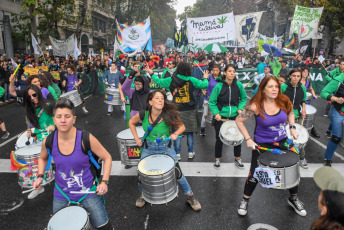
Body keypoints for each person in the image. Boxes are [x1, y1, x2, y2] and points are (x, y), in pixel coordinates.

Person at [32, 99, 113, 229]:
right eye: (59, 117)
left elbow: (107, 157)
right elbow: (42, 158)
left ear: (74, 119)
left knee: (104, 226)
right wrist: (40, 175)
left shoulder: (85, 138)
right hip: (61, 193)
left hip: (87, 192)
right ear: (54, 120)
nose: (63, 120)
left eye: (67, 116)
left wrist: (105, 181)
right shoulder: (48, 141)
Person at [236, 75, 307, 217]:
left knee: (292, 169)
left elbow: (291, 112)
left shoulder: (284, 101)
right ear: (263, 89)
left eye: (276, 86)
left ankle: (293, 199)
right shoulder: (255, 106)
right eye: (270, 86)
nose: (274, 89)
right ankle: (245, 200)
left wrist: (292, 127)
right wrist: (248, 139)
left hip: (283, 141)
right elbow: (239, 121)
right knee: (255, 173)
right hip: (262, 145)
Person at [129, 90, 201, 211]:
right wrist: (137, 139)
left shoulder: (168, 114)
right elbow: (131, 122)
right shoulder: (144, 114)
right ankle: (144, 195)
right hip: (148, 147)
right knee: (141, 175)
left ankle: (190, 196)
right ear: (150, 102)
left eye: (162, 98)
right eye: (157, 98)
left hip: (166, 147)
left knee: (177, 173)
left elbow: (182, 126)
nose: (160, 100)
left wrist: (175, 134)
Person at [150, 62, 209, 160]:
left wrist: (152, 73)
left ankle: (177, 153)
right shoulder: (192, 80)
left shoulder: (171, 80)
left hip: (176, 109)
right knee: (189, 131)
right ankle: (190, 152)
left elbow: (159, 82)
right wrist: (205, 77)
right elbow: (203, 85)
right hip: (190, 110)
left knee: (177, 132)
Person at [209, 64, 247, 169]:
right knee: (219, 138)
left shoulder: (239, 85)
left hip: (235, 117)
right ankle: (217, 158)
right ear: (225, 73)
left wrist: (240, 108)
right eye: (230, 71)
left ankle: (238, 158)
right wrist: (216, 113)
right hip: (221, 117)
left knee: (238, 138)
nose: (232, 73)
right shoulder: (218, 86)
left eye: (234, 71)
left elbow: (243, 99)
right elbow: (212, 102)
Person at [281, 69, 308, 168]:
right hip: (284, 115)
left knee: (299, 138)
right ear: (290, 76)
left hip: (297, 115)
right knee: (285, 138)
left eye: (298, 76)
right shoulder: (283, 86)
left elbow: (303, 100)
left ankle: (302, 158)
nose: (296, 78)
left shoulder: (302, 88)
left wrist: (304, 109)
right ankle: (285, 157)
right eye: (294, 76)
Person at [320, 60, 344, 167]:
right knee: (336, 137)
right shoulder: (339, 79)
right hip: (339, 111)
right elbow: (323, 93)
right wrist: (335, 98)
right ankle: (328, 158)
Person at [200, 64, 221, 136]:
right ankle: (202, 128)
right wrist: (203, 90)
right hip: (207, 99)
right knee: (205, 115)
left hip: (216, 101)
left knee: (217, 115)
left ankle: (219, 131)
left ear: (219, 71)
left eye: (217, 70)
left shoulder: (221, 79)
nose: (215, 72)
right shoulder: (209, 77)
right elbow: (202, 83)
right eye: (214, 70)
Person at [300, 67, 320, 138]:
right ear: (301, 72)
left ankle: (312, 130)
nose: (305, 73)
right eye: (304, 72)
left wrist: (314, 95)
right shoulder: (297, 80)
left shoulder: (308, 82)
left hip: (305, 101)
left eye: (307, 72)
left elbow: (311, 89)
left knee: (308, 117)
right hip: (297, 101)